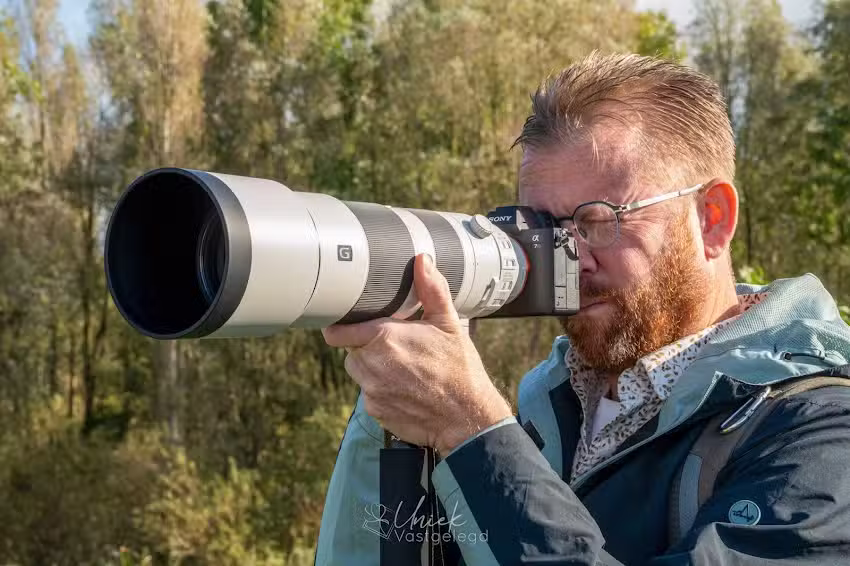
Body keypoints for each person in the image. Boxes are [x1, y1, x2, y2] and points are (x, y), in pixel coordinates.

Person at [313, 52, 850, 565]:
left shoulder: (821, 435)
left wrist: (474, 431)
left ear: (711, 218)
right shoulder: (546, 413)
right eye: (545, 230)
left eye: (597, 220)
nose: (571, 260)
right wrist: (389, 418)